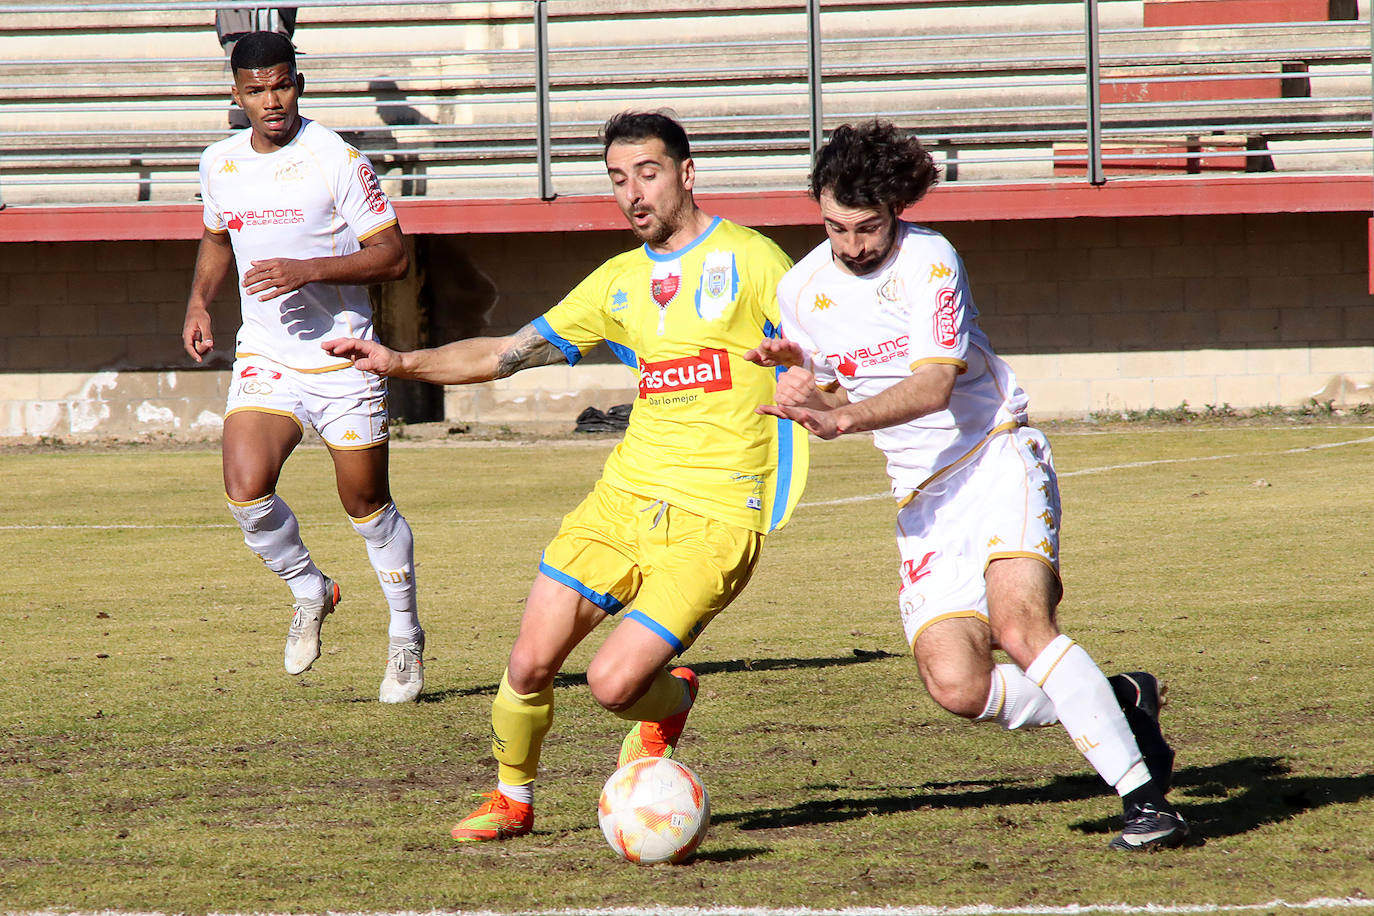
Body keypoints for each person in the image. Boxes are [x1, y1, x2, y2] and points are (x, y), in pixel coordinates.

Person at [322, 111, 809, 841]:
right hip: (622, 500)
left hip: (715, 516)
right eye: (618, 179)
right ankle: (512, 801)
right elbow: (506, 353)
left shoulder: (756, 261)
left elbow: (827, 352)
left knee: (615, 687)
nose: (633, 193)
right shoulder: (617, 283)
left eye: (648, 173)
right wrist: (400, 362)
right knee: (528, 660)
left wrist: (818, 385)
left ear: (686, 172)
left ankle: (668, 702)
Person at [745, 120, 1187, 851]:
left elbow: (932, 388)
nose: (852, 245)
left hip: (995, 456)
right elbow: (831, 399)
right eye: (834, 227)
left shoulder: (930, 261)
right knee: (957, 685)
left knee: (1021, 627)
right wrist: (804, 387)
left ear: (895, 210)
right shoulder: (800, 288)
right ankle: (1117, 700)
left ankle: (1145, 801)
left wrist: (841, 416)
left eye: (866, 227)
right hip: (922, 499)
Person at [181, 31, 427, 704]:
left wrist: (308, 269)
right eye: (256, 90)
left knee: (364, 503)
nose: (272, 101)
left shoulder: (336, 158)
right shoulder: (219, 163)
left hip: (343, 357)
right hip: (267, 357)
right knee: (244, 486)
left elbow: (395, 256)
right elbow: (215, 236)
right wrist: (200, 303)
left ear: (299, 84)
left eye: (282, 85)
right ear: (236, 95)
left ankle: (405, 637)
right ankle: (309, 588)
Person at [215, 8, 297, 130]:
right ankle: (240, 125)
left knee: (275, 69)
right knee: (246, 73)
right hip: (237, 14)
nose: (271, 103)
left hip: (273, 15)